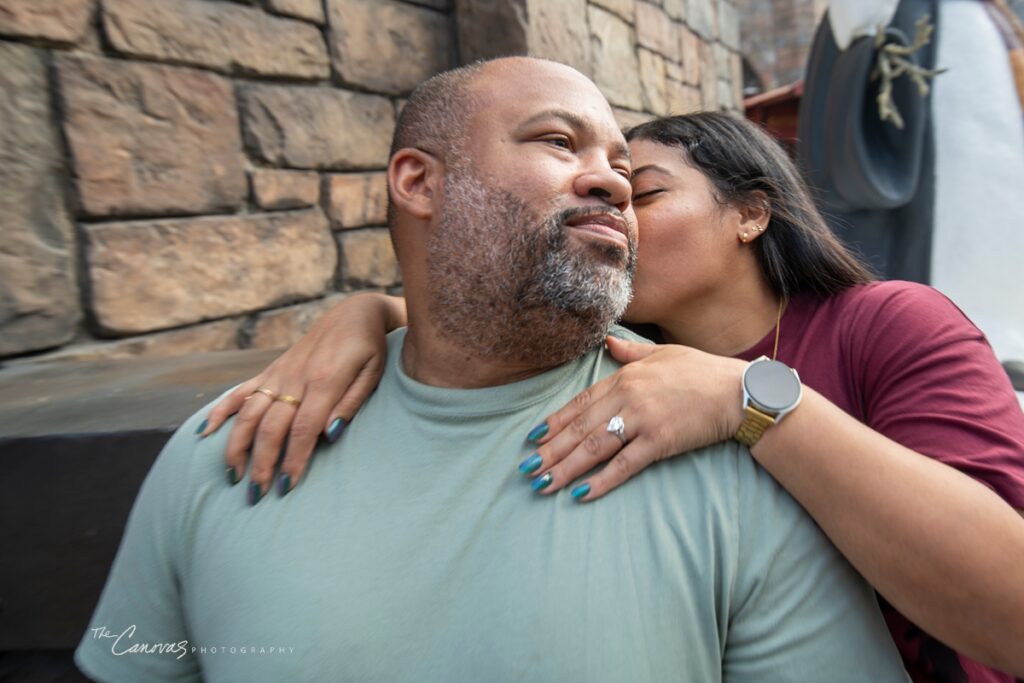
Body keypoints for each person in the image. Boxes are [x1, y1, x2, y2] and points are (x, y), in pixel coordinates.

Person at [75, 58, 910, 682]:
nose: (612, 184)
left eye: (626, 170)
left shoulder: (730, 455)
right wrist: (366, 309)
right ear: (417, 180)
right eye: (558, 141)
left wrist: (751, 405)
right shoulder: (225, 447)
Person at [203, 111, 1024, 681]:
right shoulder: (614, 361)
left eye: (647, 190)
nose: (619, 210)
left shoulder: (888, 323)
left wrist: (751, 401)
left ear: (749, 213)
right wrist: (373, 315)